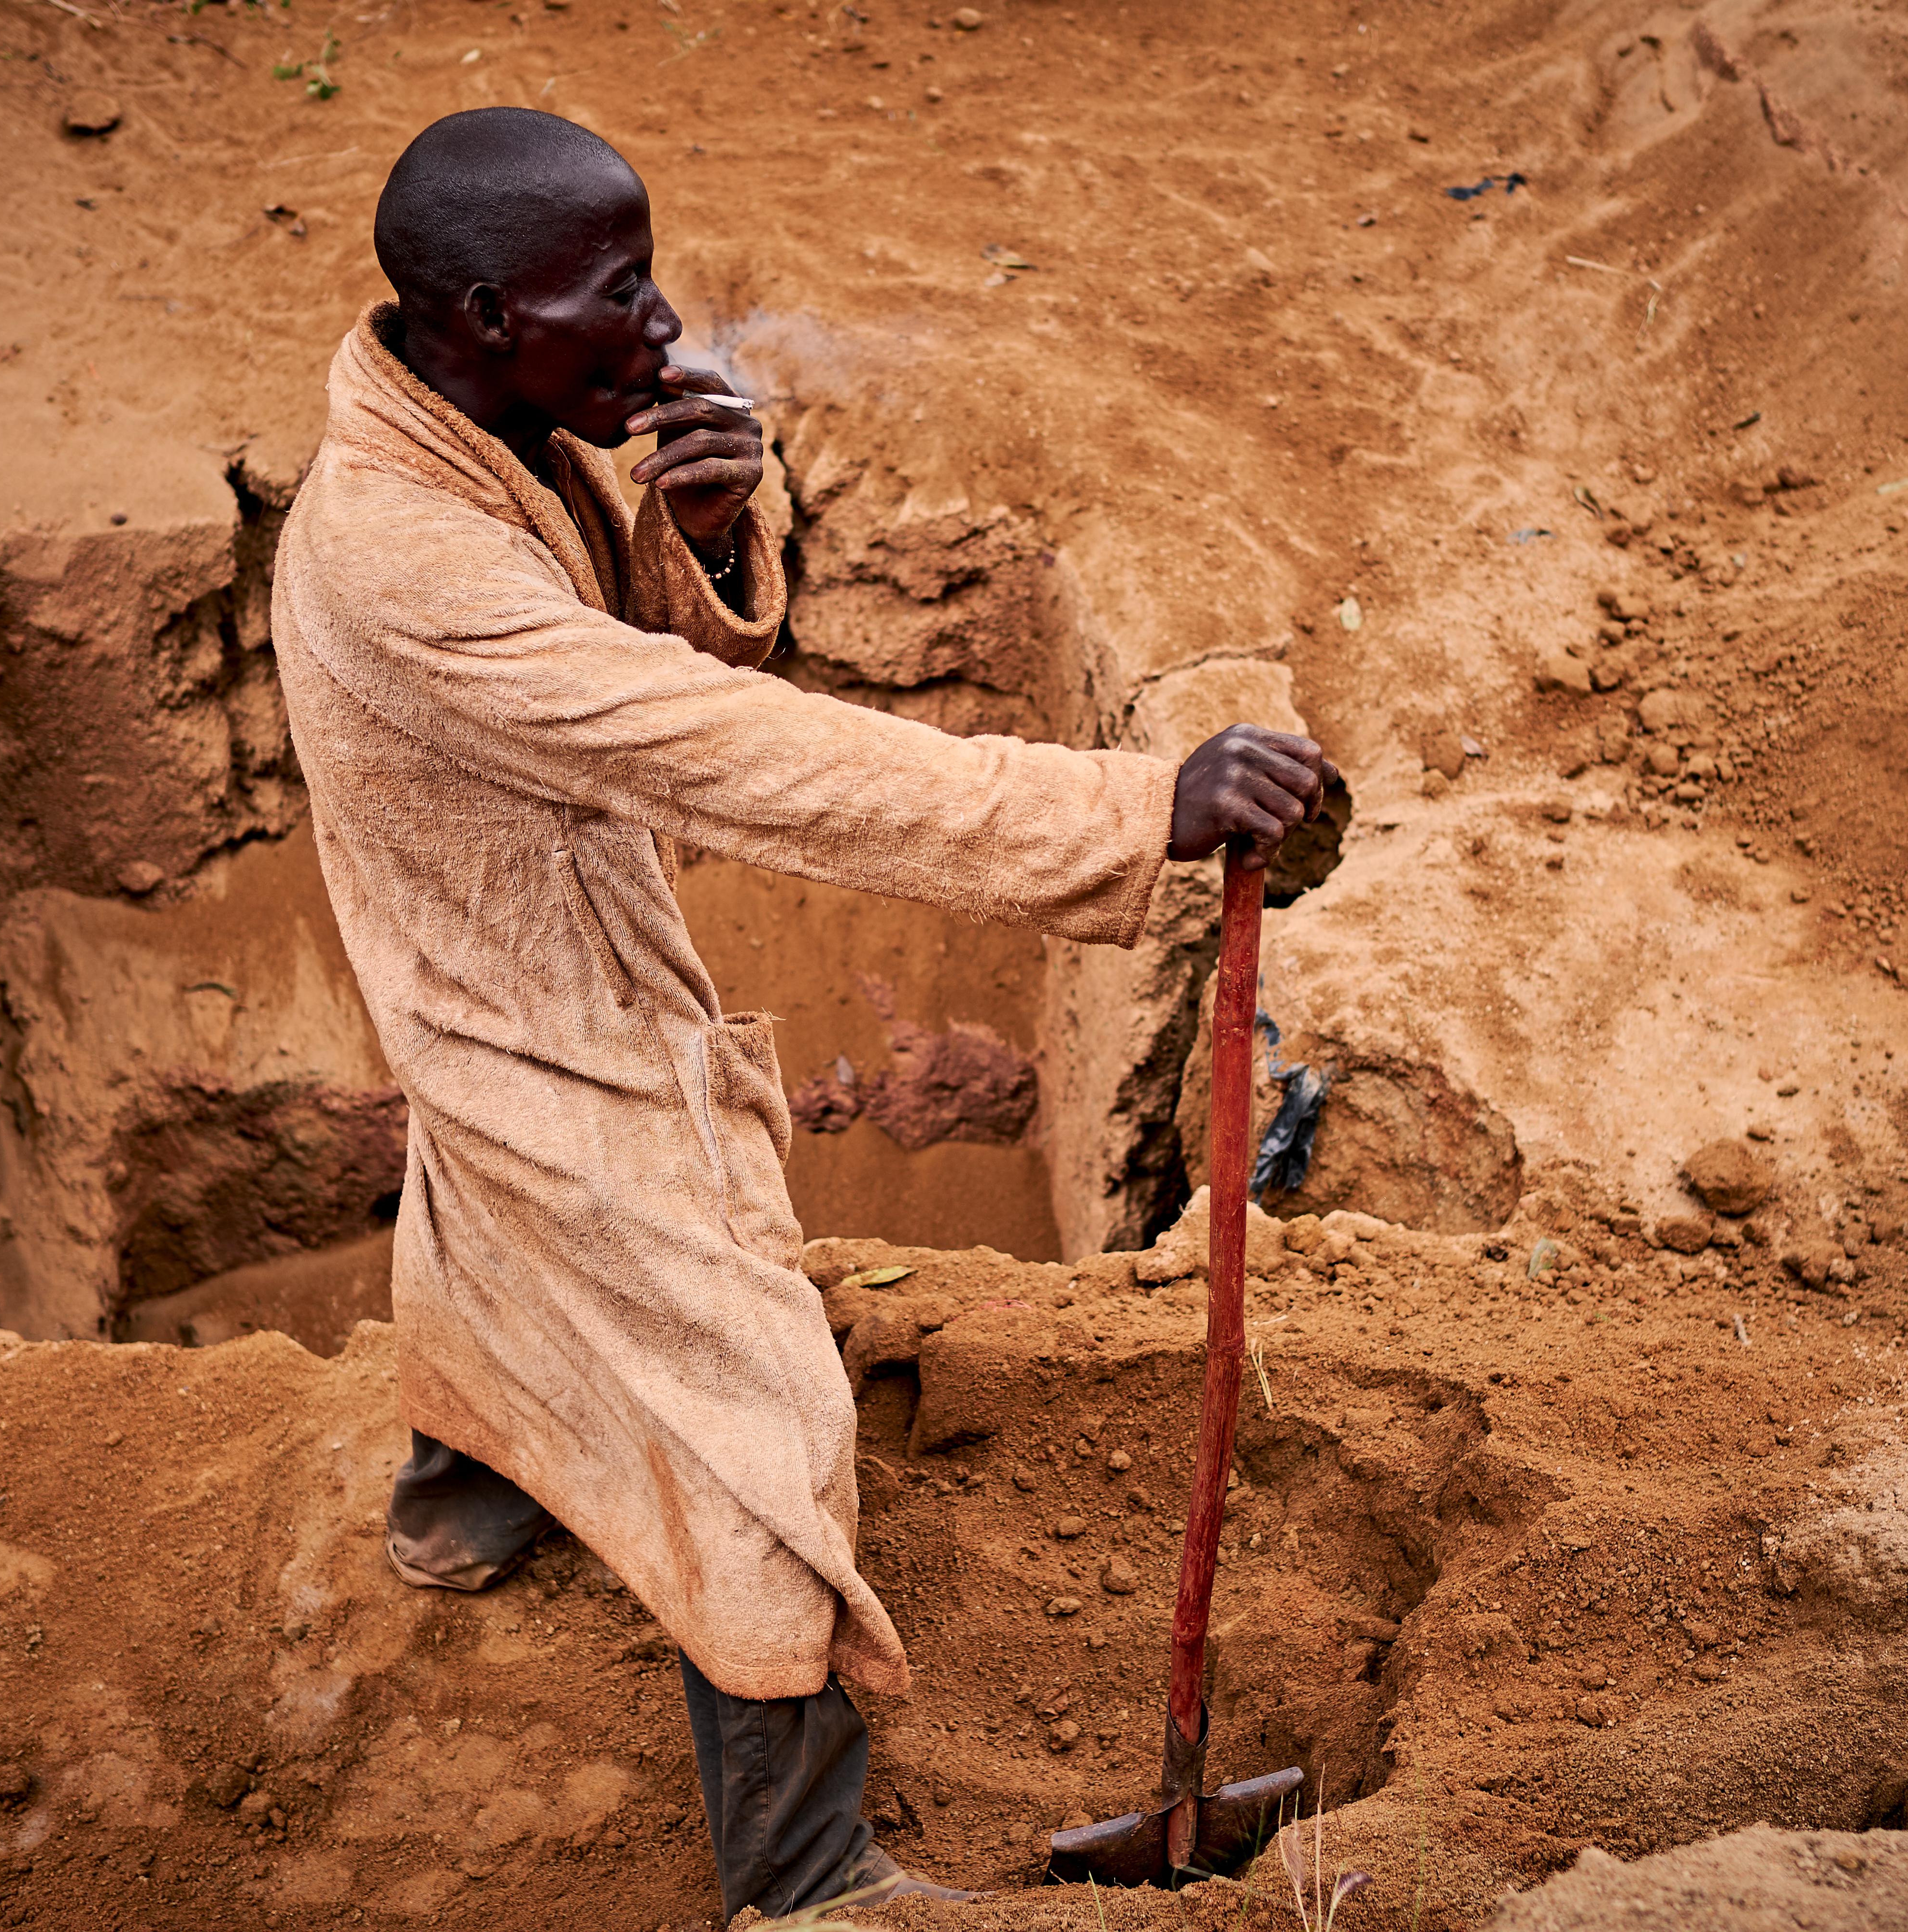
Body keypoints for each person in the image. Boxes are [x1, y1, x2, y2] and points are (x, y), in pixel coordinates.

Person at [270, 105, 1334, 1919]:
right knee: (764, 1420)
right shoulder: (404, 559)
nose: (664, 326)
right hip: (522, 1000)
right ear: (484, 311)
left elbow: (639, 639)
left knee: (497, 1229)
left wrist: (696, 524)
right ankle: (811, 1880)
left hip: (518, 951)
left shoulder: (471, 419)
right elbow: (733, 752)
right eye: (616, 292)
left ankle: (466, 1497)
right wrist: (1123, 806)